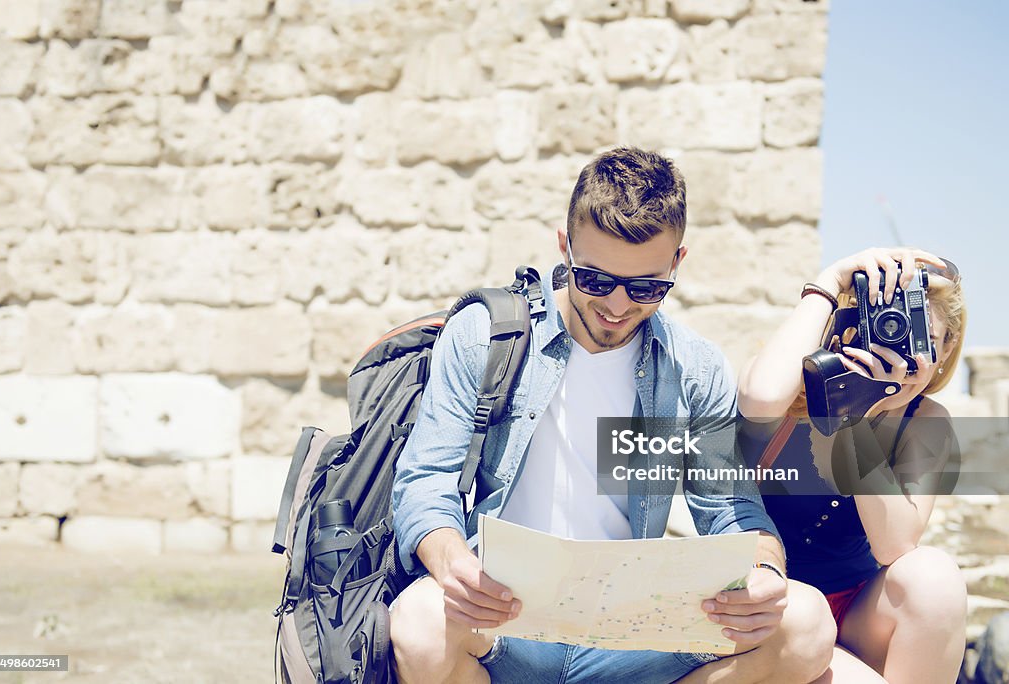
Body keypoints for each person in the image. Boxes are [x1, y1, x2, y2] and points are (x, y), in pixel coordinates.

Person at [388, 147, 835, 684]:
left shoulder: (695, 367)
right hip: (504, 620)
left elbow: (731, 508)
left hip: (634, 632)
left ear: (678, 263)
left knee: (806, 623)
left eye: (647, 287)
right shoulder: (486, 333)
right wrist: (452, 563)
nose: (619, 306)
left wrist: (764, 570)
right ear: (564, 248)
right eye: (596, 281)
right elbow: (424, 479)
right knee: (418, 620)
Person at [737, 248, 969, 682]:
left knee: (934, 576)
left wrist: (856, 420)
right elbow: (758, 400)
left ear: (947, 347)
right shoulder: (791, 389)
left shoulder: (926, 420)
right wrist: (829, 282)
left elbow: (894, 547)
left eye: (923, 342)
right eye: (885, 333)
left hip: (857, 609)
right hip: (773, 607)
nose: (903, 360)